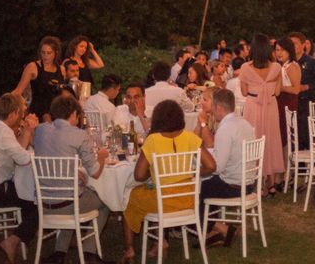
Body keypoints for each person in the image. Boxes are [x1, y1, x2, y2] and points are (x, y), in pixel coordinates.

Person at [121, 100, 216, 263]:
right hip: (187, 199)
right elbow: (211, 165)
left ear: (158, 119)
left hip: (162, 201)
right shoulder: (190, 137)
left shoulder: (153, 140)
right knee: (143, 196)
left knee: (129, 198)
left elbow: (138, 175)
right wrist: (193, 174)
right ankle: (159, 241)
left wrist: (152, 175)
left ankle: (129, 249)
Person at [34, 95, 112, 264]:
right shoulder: (79, 134)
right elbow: (96, 172)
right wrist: (102, 156)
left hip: (44, 203)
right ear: (73, 114)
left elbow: (52, 153)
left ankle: (59, 253)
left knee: (73, 194)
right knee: (106, 201)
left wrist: (73, 171)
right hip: (69, 205)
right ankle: (90, 253)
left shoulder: (40, 130)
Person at [0, 93, 39, 263]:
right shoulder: (3, 132)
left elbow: (17, 149)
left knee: (29, 198)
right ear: (12, 114)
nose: (22, 116)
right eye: (20, 113)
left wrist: (25, 131)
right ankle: (14, 240)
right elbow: (24, 159)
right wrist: (28, 130)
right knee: (40, 204)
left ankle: (24, 233)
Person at [199, 89, 255, 247]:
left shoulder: (225, 128)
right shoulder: (244, 123)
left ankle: (213, 230)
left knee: (200, 187)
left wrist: (200, 168)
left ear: (218, 108)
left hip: (234, 186)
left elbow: (217, 167)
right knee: (210, 182)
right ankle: (218, 228)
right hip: (248, 183)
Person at [239, 33, 284, 196]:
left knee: (253, 140)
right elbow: (278, 91)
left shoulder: (245, 68)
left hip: (253, 107)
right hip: (271, 106)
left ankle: (255, 180)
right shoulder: (277, 67)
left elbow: (244, 92)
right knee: (271, 140)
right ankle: (270, 183)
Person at [13, 36, 65, 122]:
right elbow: (18, 91)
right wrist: (2, 101)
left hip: (56, 115)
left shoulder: (62, 70)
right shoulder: (33, 67)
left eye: (49, 53)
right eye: (43, 52)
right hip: (37, 114)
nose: (45, 56)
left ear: (56, 53)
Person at [289, 32, 315, 150]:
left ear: (303, 45)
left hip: (306, 102)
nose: (292, 46)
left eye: (295, 43)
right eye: (290, 44)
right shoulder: (288, 63)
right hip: (292, 102)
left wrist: (306, 86)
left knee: (304, 135)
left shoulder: (312, 62)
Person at [275, 37, 301, 149]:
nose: (279, 53)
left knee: (285, 133)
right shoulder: (281, 65)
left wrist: (280, 88)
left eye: (282, 50)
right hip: (280, 101)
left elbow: (296, 89)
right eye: (277, 50)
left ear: (289, 50)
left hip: (288, 102)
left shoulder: (292, 66)